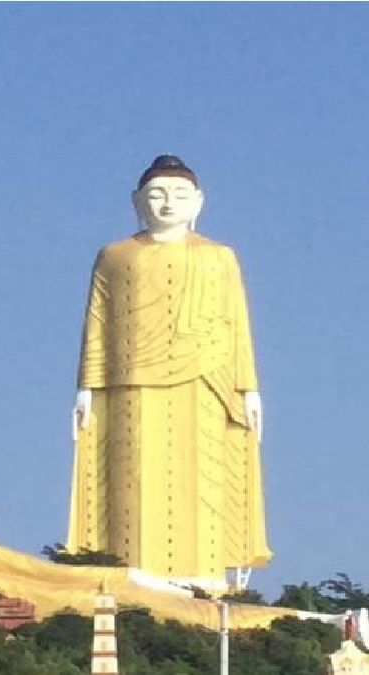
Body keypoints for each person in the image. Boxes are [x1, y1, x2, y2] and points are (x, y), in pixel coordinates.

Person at [66, 155, 271, 589]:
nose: (167, 203)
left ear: (198, 202)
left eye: (179, 194)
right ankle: (131, 576)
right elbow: (97, 321)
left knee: (204, 480)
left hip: (206, 379)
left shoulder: (218, 257)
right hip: (130, 380)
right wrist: (86, 386)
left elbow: (237, 322)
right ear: (136, 201)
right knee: (132, 480)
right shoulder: (115, 256)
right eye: (156, 194)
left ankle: (205, 578)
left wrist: (249, 388)